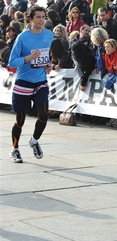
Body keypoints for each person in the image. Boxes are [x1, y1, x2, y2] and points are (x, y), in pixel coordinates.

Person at [8, 5, 54, 163]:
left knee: (44, 115)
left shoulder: (49, 34)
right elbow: (12, 62)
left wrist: (48, 65)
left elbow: (45, 57)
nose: (42, 20)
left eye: (43, 17)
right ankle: (14, 149)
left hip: (41, 82)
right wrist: (28, 58)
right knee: (20, 119)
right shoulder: (22, 37)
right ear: (31, 19)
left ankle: (34, 141)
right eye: (38, 17)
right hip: (23, 82)